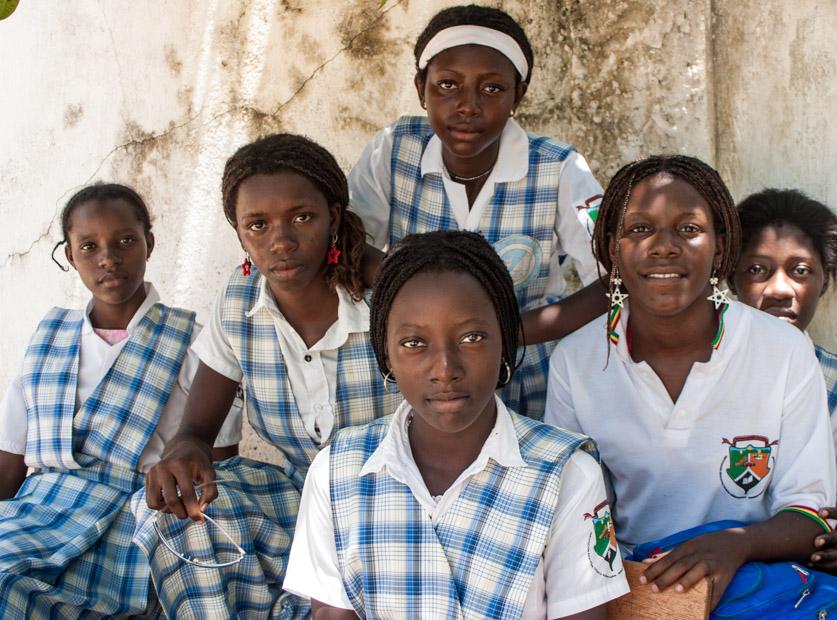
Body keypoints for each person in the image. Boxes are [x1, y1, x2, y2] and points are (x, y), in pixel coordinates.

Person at [285, 230, 629, 619]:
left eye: (471, 337)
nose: (445, 369)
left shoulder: (565, 474)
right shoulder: (337, 471)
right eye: (414, 343)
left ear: (505, 339)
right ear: (386, 353)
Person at [545, 156, 837, 608]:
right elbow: (574, 519)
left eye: (688, 229)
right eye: (639, 230)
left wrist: (735, 545)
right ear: (611, 249)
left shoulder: (782, 351)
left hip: (752, 583)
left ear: (721, 249)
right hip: (636, 586)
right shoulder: (576, 361)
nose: (664, 247)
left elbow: (811, 517)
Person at [138, 134, 402, 618]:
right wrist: (182, 456)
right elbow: (196, 432)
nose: (281, 240)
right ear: (240, 235)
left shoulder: (391, 298)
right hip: (300, 501)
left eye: (302, 217)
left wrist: (388, 271)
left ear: (334, 217)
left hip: (398, 500)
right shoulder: (239, 304)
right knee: (177, 516)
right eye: (257, 225)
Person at [348, 5, 608, 419]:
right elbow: (348, 245)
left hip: (529, 380)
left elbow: (616, 280)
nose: (468, 105)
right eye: (448, 84)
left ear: (517, 94)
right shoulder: (394, 150)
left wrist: (509, 333)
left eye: (491, 89)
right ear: (421, 88)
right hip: (427, 383)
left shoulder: (557, 169)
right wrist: (414, 284)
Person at [0, 183, 241, 617]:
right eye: (89, 246)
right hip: (40, 512)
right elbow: (10, 458)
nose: (108, 258)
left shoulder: (192, 343)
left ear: (148, 243)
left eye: (125, 241)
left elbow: (218, 465)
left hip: (133, 519)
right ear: (70, 256)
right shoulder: (48, 336)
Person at [732, 189, 837, 512]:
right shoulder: (699, 363)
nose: (780, 290)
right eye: (756, 269)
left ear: (823, 282)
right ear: (730, 277)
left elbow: (831, 510)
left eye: (801, 271)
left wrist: (831, 532)